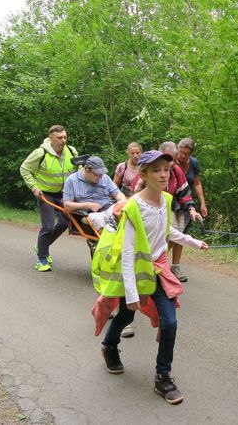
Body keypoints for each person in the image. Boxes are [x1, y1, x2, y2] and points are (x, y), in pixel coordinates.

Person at [93, 150, 208, 405]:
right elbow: (128, 252)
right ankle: (109, 346)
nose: (163, 174)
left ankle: (163, 376)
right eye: (156, 170)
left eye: (166, 169)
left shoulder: (166, 200)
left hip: (159, 271)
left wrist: (193, 241)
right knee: (126, 314)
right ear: (144, 173)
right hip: (135, 272)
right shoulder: (133, 206)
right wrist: (132, 293)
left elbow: (169, 231)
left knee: (170, 322)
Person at [20, 125, 78, 272]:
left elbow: (79, 171)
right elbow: (24, 169)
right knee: (48, 226)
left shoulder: (72, 151)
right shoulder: (40, 153)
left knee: (65, 223)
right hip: (45, 193)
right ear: (51, 138)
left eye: (65, 137)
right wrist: (34, 187)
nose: (63, 140)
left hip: (64, 194)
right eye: (60, 138)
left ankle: (41, 246)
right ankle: (42, 259)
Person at [159, 141, 202, 282]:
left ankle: (169, 265)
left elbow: (184, 191)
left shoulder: (176, 170)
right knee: (173, 233)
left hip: (176, 204)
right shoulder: (151, 169)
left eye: (173, 160)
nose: (172, 163)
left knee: (179, 233)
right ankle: (157, 263)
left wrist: (192, 209)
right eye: (169, 159)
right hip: (157, 207)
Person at [63, 156, 126, 231]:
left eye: (101, 174)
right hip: (87, 213)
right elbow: (67, 205)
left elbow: (117, 193)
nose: (100, 177)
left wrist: (122, 202)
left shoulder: (104, 177)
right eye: (97, 174)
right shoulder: (71, 180)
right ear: (87, 170)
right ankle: (107, 241)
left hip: (107, 207)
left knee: (126, 210)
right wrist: (87, 205)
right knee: (99, 219)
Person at [176, 137, 208, 218]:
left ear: (190, 154)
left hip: (187, 203)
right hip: (172, 202)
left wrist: (203, 203)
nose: (182, 155)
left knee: (183, 229)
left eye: (186, 154)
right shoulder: (172, 162)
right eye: (181, 152)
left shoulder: (194, 162)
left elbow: (196, 183)